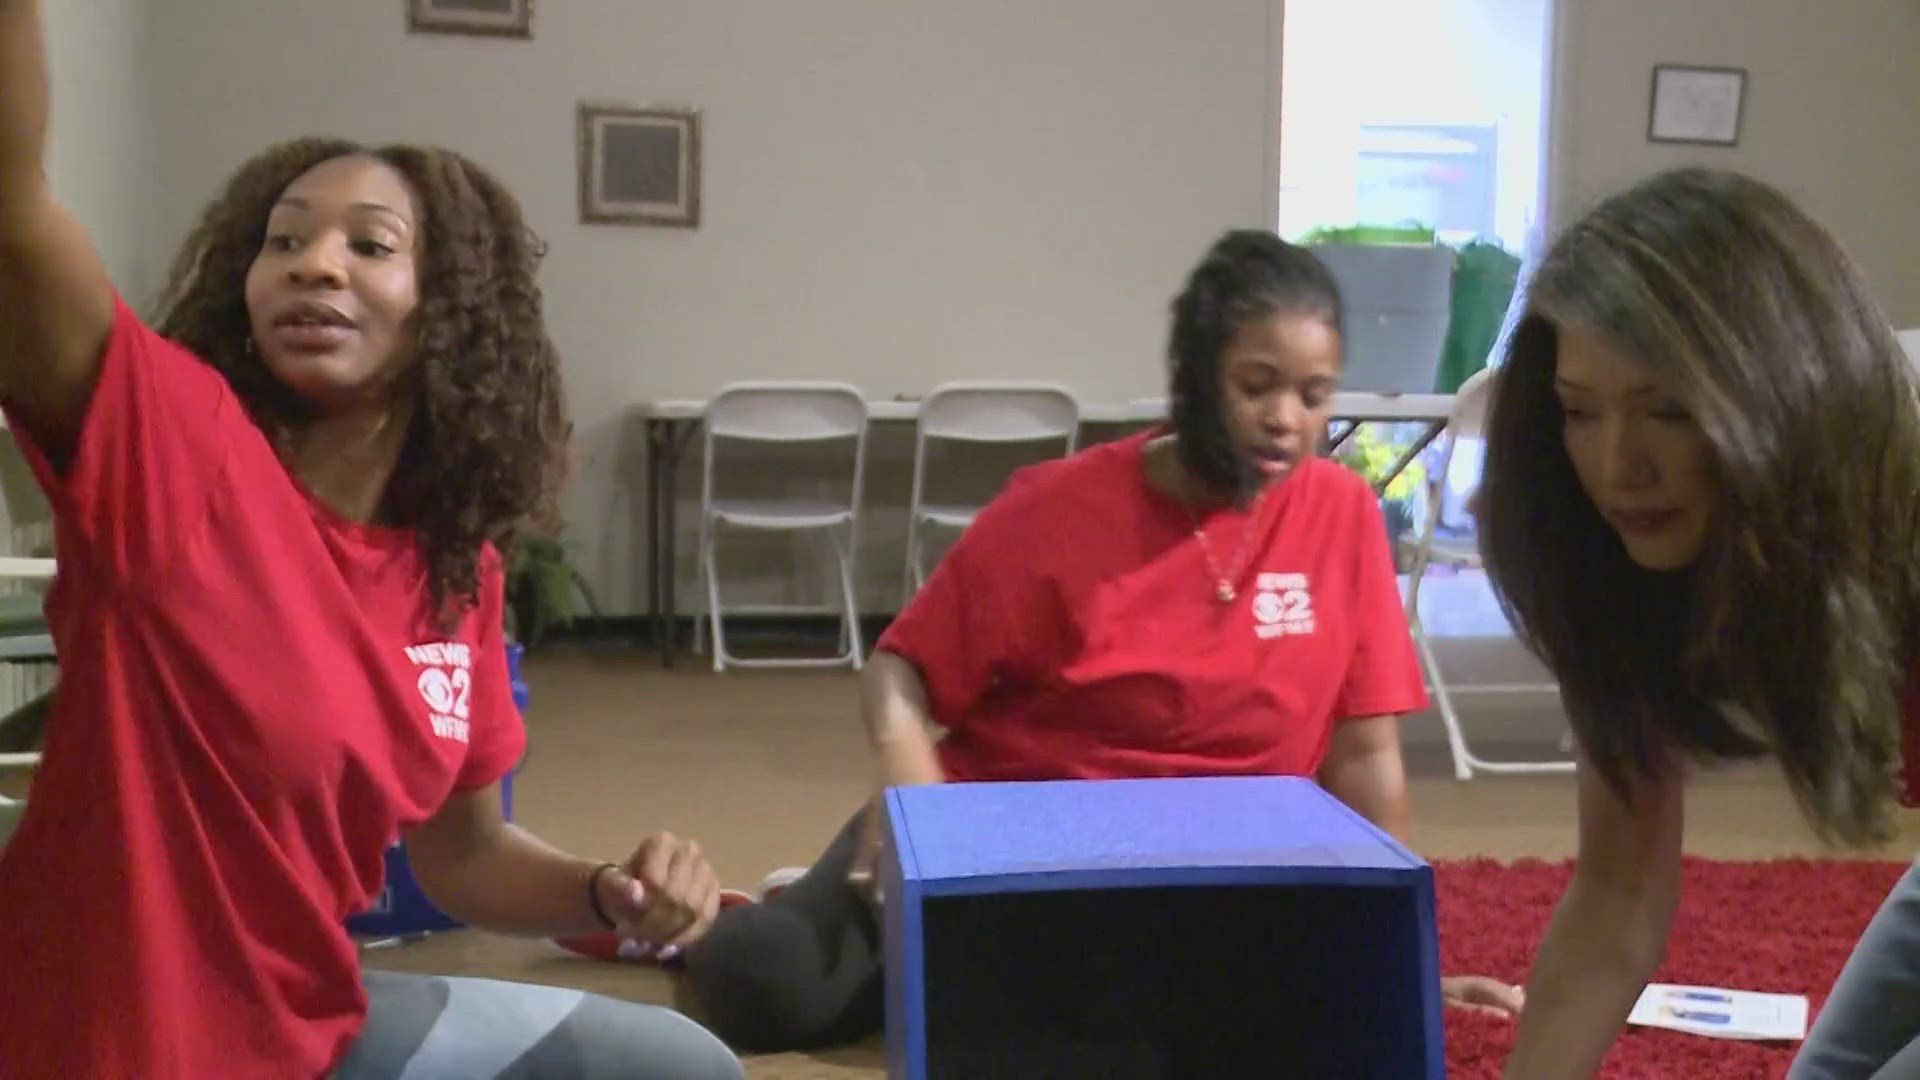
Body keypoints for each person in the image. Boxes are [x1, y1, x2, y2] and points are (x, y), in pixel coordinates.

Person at [0, 4, 742, 1077]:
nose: (314, 265)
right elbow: (12, 217)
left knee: (681, 1066)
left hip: (310, 1028)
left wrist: (602, 890)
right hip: (119, 1043)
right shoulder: (176, 455)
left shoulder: (456, 572)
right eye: (285, 240)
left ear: (448, 307)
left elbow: (466, 854)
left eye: (370, 245)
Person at [597, 229, 1520, 1051]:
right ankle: (771, 910)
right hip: (1006, 843)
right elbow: (900, 668)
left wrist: (1399, 953)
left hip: (1211, 873)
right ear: (1195, 375)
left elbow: (1365, 755)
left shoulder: (1343, 515)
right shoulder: (1056, 507)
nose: (1289, 420)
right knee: (772, 990)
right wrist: (916, 805)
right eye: (1257, 385)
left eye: (1315, 395)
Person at [1473, 166, 1920, 1080]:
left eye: (1670, 412)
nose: (1616, 465)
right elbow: (1615, 899)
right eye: (1578, 411)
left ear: (1788, 398)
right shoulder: (1603, 558)